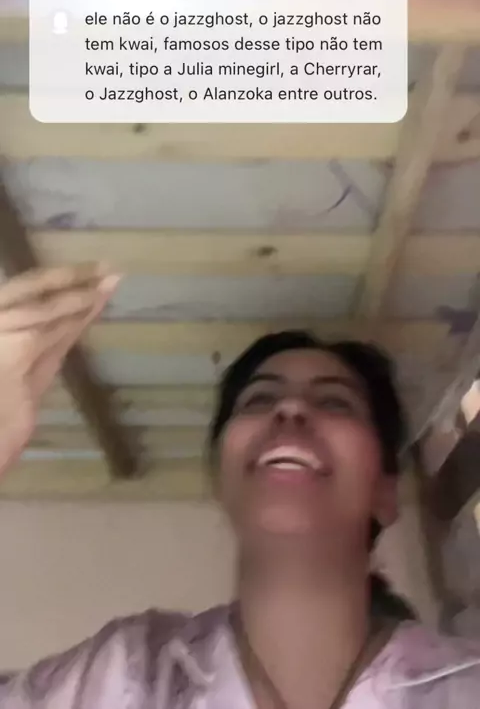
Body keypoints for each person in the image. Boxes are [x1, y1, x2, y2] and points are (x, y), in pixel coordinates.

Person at [0, 264, 479, 709]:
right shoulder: (127, 674)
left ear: (385, 492)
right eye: (259, 399)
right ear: (222, 479)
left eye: (335, 402)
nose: (290, 408)